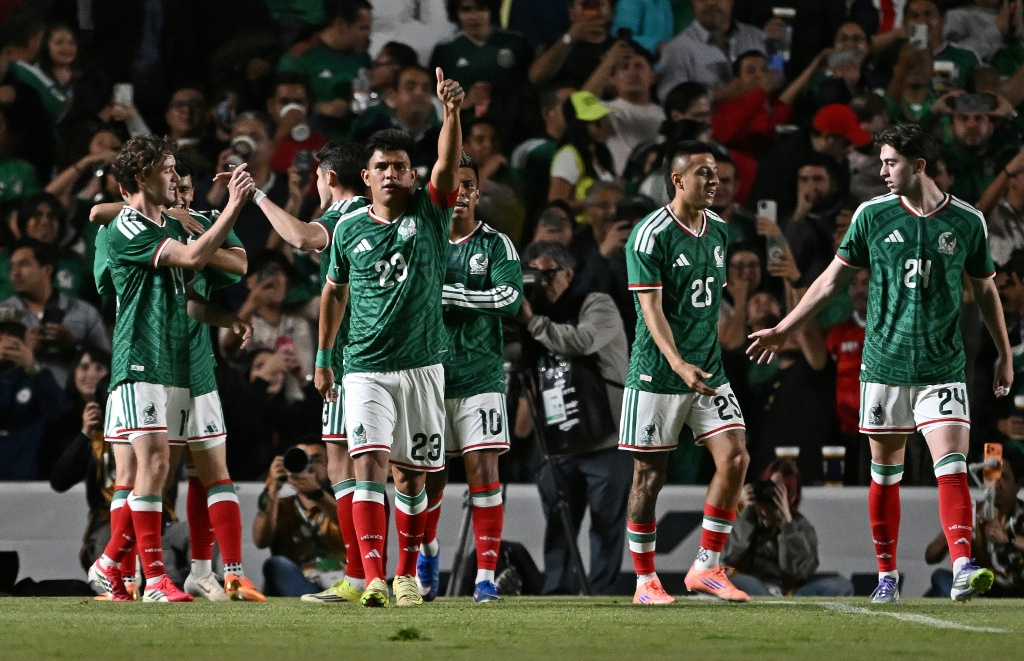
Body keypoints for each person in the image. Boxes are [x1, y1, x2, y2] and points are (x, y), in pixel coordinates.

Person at [748, 123, 1014, 603]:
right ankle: (887, 575)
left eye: (890, 163)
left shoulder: (967, 221)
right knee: (884, 474)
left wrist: (1002, 354)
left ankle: (961, 565)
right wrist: (786, 326)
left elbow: (987, 290)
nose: (882, 171)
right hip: (884, 366)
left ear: (918, 166)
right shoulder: (872, 215)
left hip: (941, 366)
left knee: (951, 467)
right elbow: (831, 281)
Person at [314, 68, 465, 608]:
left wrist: (452, 114)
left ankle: (406, 574)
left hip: (423, 365)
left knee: (412, 477)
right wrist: (324, 357)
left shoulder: (430, 211)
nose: (392, 174)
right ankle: (375, 577)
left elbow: (447, 164)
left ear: (410, 174)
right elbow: (333, 293)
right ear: (368, 176)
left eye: (401, 167)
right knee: (368, 463)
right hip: (365, 367)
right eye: (382, 167)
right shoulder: (349, 226)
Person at [92, 135, 254, 602]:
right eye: (166, 171)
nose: (177, 179)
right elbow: (193, 256)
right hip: (140, 356)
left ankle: (114, 567)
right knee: (151, 466)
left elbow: (191, 298)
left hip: (176, 362)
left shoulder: (170, 223)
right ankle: (151, 578)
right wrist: (234, 205)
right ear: (141, 177)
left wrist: (225, 318)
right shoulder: (127, 227)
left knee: (159, 468)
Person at [620, 140, 751, 605]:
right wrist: (677, 362)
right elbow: (650, 310)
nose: (714, 181)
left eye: (716, 174)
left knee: (735, 457)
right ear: (677, 181)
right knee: (648, 476)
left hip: (708, 368)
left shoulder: (718, 229)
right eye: (703, 174)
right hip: (658, 372)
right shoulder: (650, 234)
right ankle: (644, 582)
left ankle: (707, 567)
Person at [250, 140, 370, 604]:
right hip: (378, 358)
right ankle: (384, 574)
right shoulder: (381, 217)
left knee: (354, 463)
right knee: (374, 466)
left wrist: (259, 195)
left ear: (331, 179)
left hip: (355, 360)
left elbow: (300, 237)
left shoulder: (346, 216)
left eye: (320, 177)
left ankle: (366, 575)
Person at [416, 152, 523, 603]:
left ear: (478, 192)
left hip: (480, 375)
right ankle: (428, 553)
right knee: (428, 478)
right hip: (428, 376)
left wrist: (450, 295)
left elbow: (510, 297)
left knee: (484, 473)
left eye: (468, 185)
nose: (460, 193)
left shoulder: (496, 245)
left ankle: (483, 577)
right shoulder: (423, 241)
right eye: (452, 184)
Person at [514, 240, 630, 595]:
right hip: (558, 443)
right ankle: (557, 594)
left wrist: (533, 324)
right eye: (531, 275)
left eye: (547, 274)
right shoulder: (527, 318)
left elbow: (582, 341)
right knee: (558, 527)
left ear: (568, 273)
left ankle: (601, 595)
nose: (540, 283)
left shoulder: (597, 303)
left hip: (606, 439)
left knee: (606, 525)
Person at [725, 460, 855, 596]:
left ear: (792, 497)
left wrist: (787, 524)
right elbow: (729, 558)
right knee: (742, 581)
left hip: (790, 592)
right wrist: (747, 516)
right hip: (754, 587)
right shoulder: (745, 516)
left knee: (841, 585)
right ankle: (772, 606)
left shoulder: (800, 526)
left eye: (779, 491)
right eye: (769, 487)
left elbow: (798, 573)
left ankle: (776, 606)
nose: (772, 495)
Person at [2, 238, 109, 386]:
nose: (15, 273)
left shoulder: (84, 312)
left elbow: (106, 362)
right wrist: (26, 349)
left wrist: (72, 346)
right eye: (12, 267)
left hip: (72, 402)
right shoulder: (3, 313)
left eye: (24, 265)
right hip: (17, 402)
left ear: (47, 269)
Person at [254, 440, 346, 597]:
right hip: (299, 582)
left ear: (330, 464)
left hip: (342, 582)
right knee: (275, 565)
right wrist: (273, 489)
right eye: (301, 459)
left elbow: (356, 529)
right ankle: (313, 602)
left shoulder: (343, 501)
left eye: (316, 460)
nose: (308, 466)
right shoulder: (281, 505)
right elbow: (260, 541)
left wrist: (317, 494)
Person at [0, 305, 68, 479]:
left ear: (26, 339)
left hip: (27, 482)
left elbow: (61, 415)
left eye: (14, 335)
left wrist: (33, 366)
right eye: (0, 336)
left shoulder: (38, 378)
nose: (8, 342)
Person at [277, 0, 373, 122]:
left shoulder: (362, 58)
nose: (368, 34)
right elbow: (282, 106)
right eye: (363, 28)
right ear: (341, 25)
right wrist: (322, 109)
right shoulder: (299, 58)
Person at [656, 0, 767, 102]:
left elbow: (779, 74)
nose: (710, 2)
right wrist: (716, 94)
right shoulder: (677, 48)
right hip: (707, 122)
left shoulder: (758, 37)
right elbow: (669, 99)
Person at [548, 91, 615, 218]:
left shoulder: (602, 154)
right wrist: (596, 203)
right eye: (595, 122)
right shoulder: (568, 155)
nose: (602, 126)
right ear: (578, 125)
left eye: (602, 119)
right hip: (582, 231)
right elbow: (555, 204)